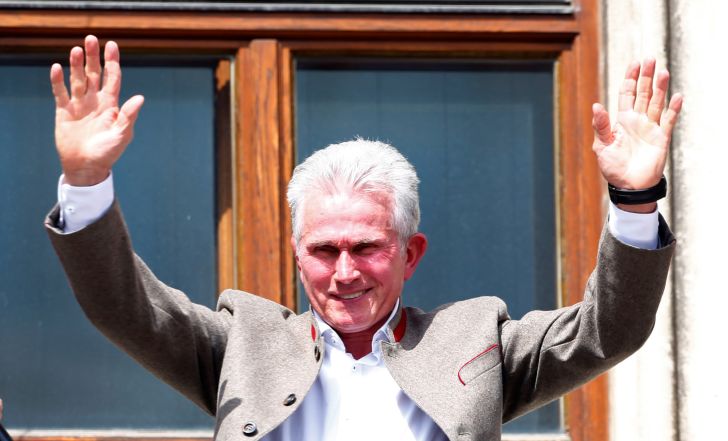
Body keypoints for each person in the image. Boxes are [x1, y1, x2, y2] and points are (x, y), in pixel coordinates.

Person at [46, 35, 682, 441]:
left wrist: (635, 199)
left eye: (366, 248)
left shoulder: (476, 341)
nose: (344, 271)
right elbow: (123, 307)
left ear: (410, 253)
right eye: (324, 250)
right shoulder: (245, 343)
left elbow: (610, 330)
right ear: (298, 255)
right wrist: (86, 181)